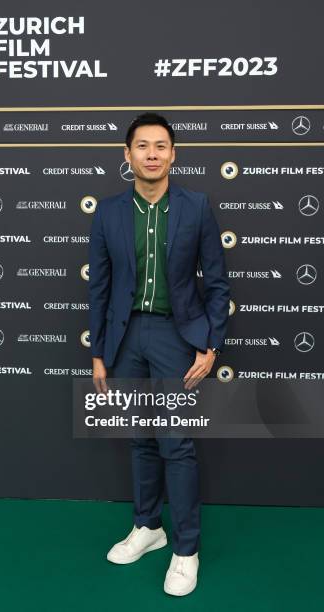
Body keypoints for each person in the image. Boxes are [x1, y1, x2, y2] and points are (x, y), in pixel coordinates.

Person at [88, 112, 230, 596]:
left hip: (176, 336)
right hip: (126, 340)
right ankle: (148, 527)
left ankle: (186, 549)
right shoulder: (108, 212)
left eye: (161, 146)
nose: (152, 154)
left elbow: (216, 282)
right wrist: (99, 353)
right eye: (142, 146)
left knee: (177, 444)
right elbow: (100, 290)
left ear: (174, 154)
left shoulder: (196, 207)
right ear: (126, 156)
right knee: (140, 438)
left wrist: (210, 344)